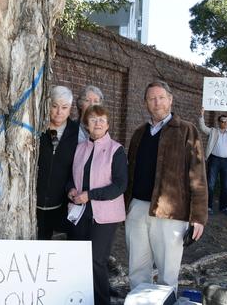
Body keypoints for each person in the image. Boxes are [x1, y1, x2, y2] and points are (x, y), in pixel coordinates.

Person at [125, 81, 207, 291]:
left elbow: (198, 175)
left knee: (167, 273)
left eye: (161, 97)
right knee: (137, 270)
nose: (157, 102)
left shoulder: (187, 131)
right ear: (145, 103)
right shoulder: (139, 133)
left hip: (170, 213)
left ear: (170, 100)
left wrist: (198, 216)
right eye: (152, 98)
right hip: (137, 209)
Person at [67, 105, 127, 305]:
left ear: (108, 124)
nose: (98, 123)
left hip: (105, 215)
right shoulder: (79, 148)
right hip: (79, 212)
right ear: (86, 125)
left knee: (96, 260)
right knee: (78, 260)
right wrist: (71, 190)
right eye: (93, 120)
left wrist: (90, 195)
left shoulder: (116, 150)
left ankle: (102, 302)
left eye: (102, 119)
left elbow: (120, 185)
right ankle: (81, 300)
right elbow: (70, 177)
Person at [36, 86, 79, 240]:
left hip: (62, 201)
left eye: (64, 107)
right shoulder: (37, 126)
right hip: (34, 200)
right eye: (55, 106)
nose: (59, 112)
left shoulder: (77, 133)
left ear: (70, 109)